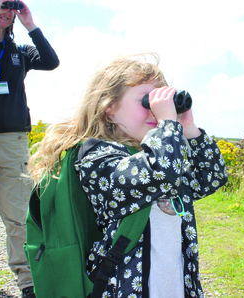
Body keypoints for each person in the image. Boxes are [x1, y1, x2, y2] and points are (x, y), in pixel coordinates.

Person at [28, 54, 227, 298]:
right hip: (125, 288)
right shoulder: (97, 156)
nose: (156, 110)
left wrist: (189, 130)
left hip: (172, 283)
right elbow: (158, 174)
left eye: (161, 102)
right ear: (109, 107)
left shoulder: (158, 154)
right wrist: (166, 125)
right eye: (147, 101)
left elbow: (212, 177)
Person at [0, 0, 59, 296]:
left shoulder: (20, 51)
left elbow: (51, 60)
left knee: (18, 215)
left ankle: (28, 280)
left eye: (10, 6)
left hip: (13, 141)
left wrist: (30, 24)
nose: (5, 11)